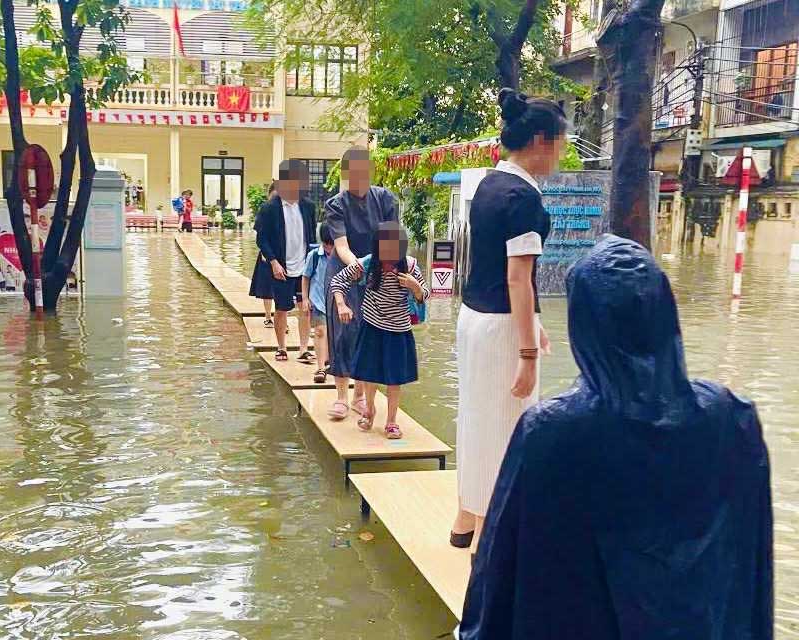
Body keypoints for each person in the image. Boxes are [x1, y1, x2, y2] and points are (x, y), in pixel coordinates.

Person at [457, 235, 773, 640]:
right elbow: (752, 570)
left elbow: (498, 574)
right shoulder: (734, 420)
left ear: (583, 326)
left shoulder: (553, 433)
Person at [451, 89, 567, 549]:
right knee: (509, 428)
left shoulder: (487, 185)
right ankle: (487, 539)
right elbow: (519, 278)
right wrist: (527, 352)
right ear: (540, 140)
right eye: (559, 143)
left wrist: (533, 323)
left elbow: (499, 269)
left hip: (473, 318)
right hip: (501, 329)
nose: (561, 153)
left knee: (476, 418)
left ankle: (465, 519)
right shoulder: (524, 199)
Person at [329, 222, 427, 439]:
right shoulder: (367, 264)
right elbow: (338, 281)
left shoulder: (410, 266)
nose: (390, 255)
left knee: (395, 378)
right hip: (372, 325)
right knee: (370, 373)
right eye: (385, 248)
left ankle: (391, 421)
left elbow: (424, 296)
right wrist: (341, 304)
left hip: (399, 329)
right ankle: (369, 410)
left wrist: (415, 287)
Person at [323, 147, 399, 420]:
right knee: (343, 332)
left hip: (377, 271)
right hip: (345, 270)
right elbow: (341, 245)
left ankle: (360, 396)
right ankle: (342, 395)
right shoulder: (336, 204)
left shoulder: (385, 199)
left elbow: (392, 239)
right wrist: (357, 264)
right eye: (352, 174)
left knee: (371, 331)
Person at [255, 161, 316, 362]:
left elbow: (311, 237)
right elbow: (261, 239)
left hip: (304, 266)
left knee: (305, 307)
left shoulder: (307, 206)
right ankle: (281, 347)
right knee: (281, 308)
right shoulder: (269, 208)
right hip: (282, 266)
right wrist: (273, 262)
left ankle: (304, 348)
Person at [302, 223, 335, 383]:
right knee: (320, 331)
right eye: (326, 244)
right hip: (318, 300)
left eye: (332, 244)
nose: (329, 248)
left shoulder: (342, 256)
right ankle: (320, 368)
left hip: (336, 302)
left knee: (332, 334)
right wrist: (305, 299)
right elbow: (306, 277)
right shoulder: (314, 256)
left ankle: (328, 360)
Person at [249, 182, 279, 327]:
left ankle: (281, 318)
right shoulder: (265, 210)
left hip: (284, 254)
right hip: (267, 253)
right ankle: (268, 316)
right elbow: (260, 235)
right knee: (267, 287)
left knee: (282, 288)